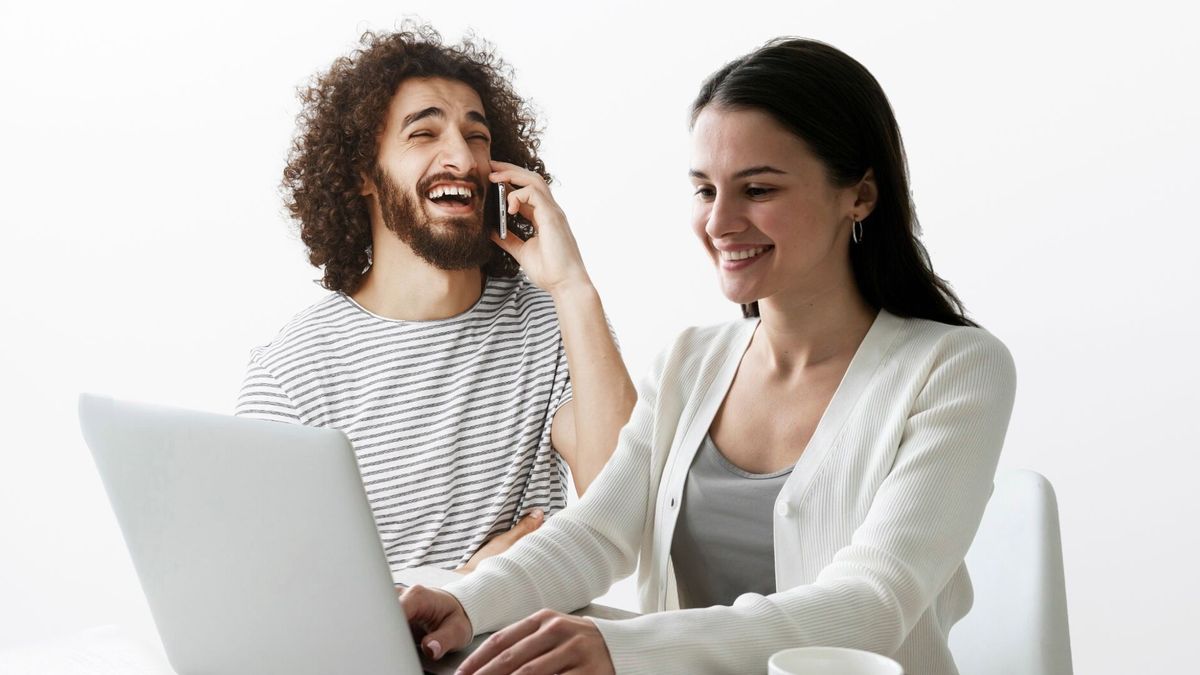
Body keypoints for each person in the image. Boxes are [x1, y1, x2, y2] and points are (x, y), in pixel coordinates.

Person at [400, 37, 1016, 675]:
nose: (720, 222)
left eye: (758, 189)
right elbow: (594, 533)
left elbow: (872, 605)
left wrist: (624, 648)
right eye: (704, 190)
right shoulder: (688, 363)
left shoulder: (956, 369)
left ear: (859, 195)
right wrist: (464, 601)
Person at [236, 24, 636, 575]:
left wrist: (572, 285)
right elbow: (275, 594)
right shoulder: (292, 375)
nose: (462, 158)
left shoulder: (555, 322)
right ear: (363, 171)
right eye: (424, 134)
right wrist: (465, 589)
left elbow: (621, 509)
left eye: (477, 136)